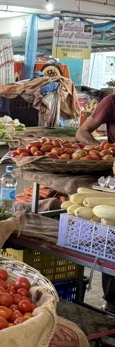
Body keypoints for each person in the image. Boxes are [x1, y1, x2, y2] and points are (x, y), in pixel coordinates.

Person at [76, 99, 115, 313]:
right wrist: (102, 150)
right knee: (112, 238)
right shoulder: (111, 103)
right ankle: (112, 304)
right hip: (114, 179)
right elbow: (82, 133)